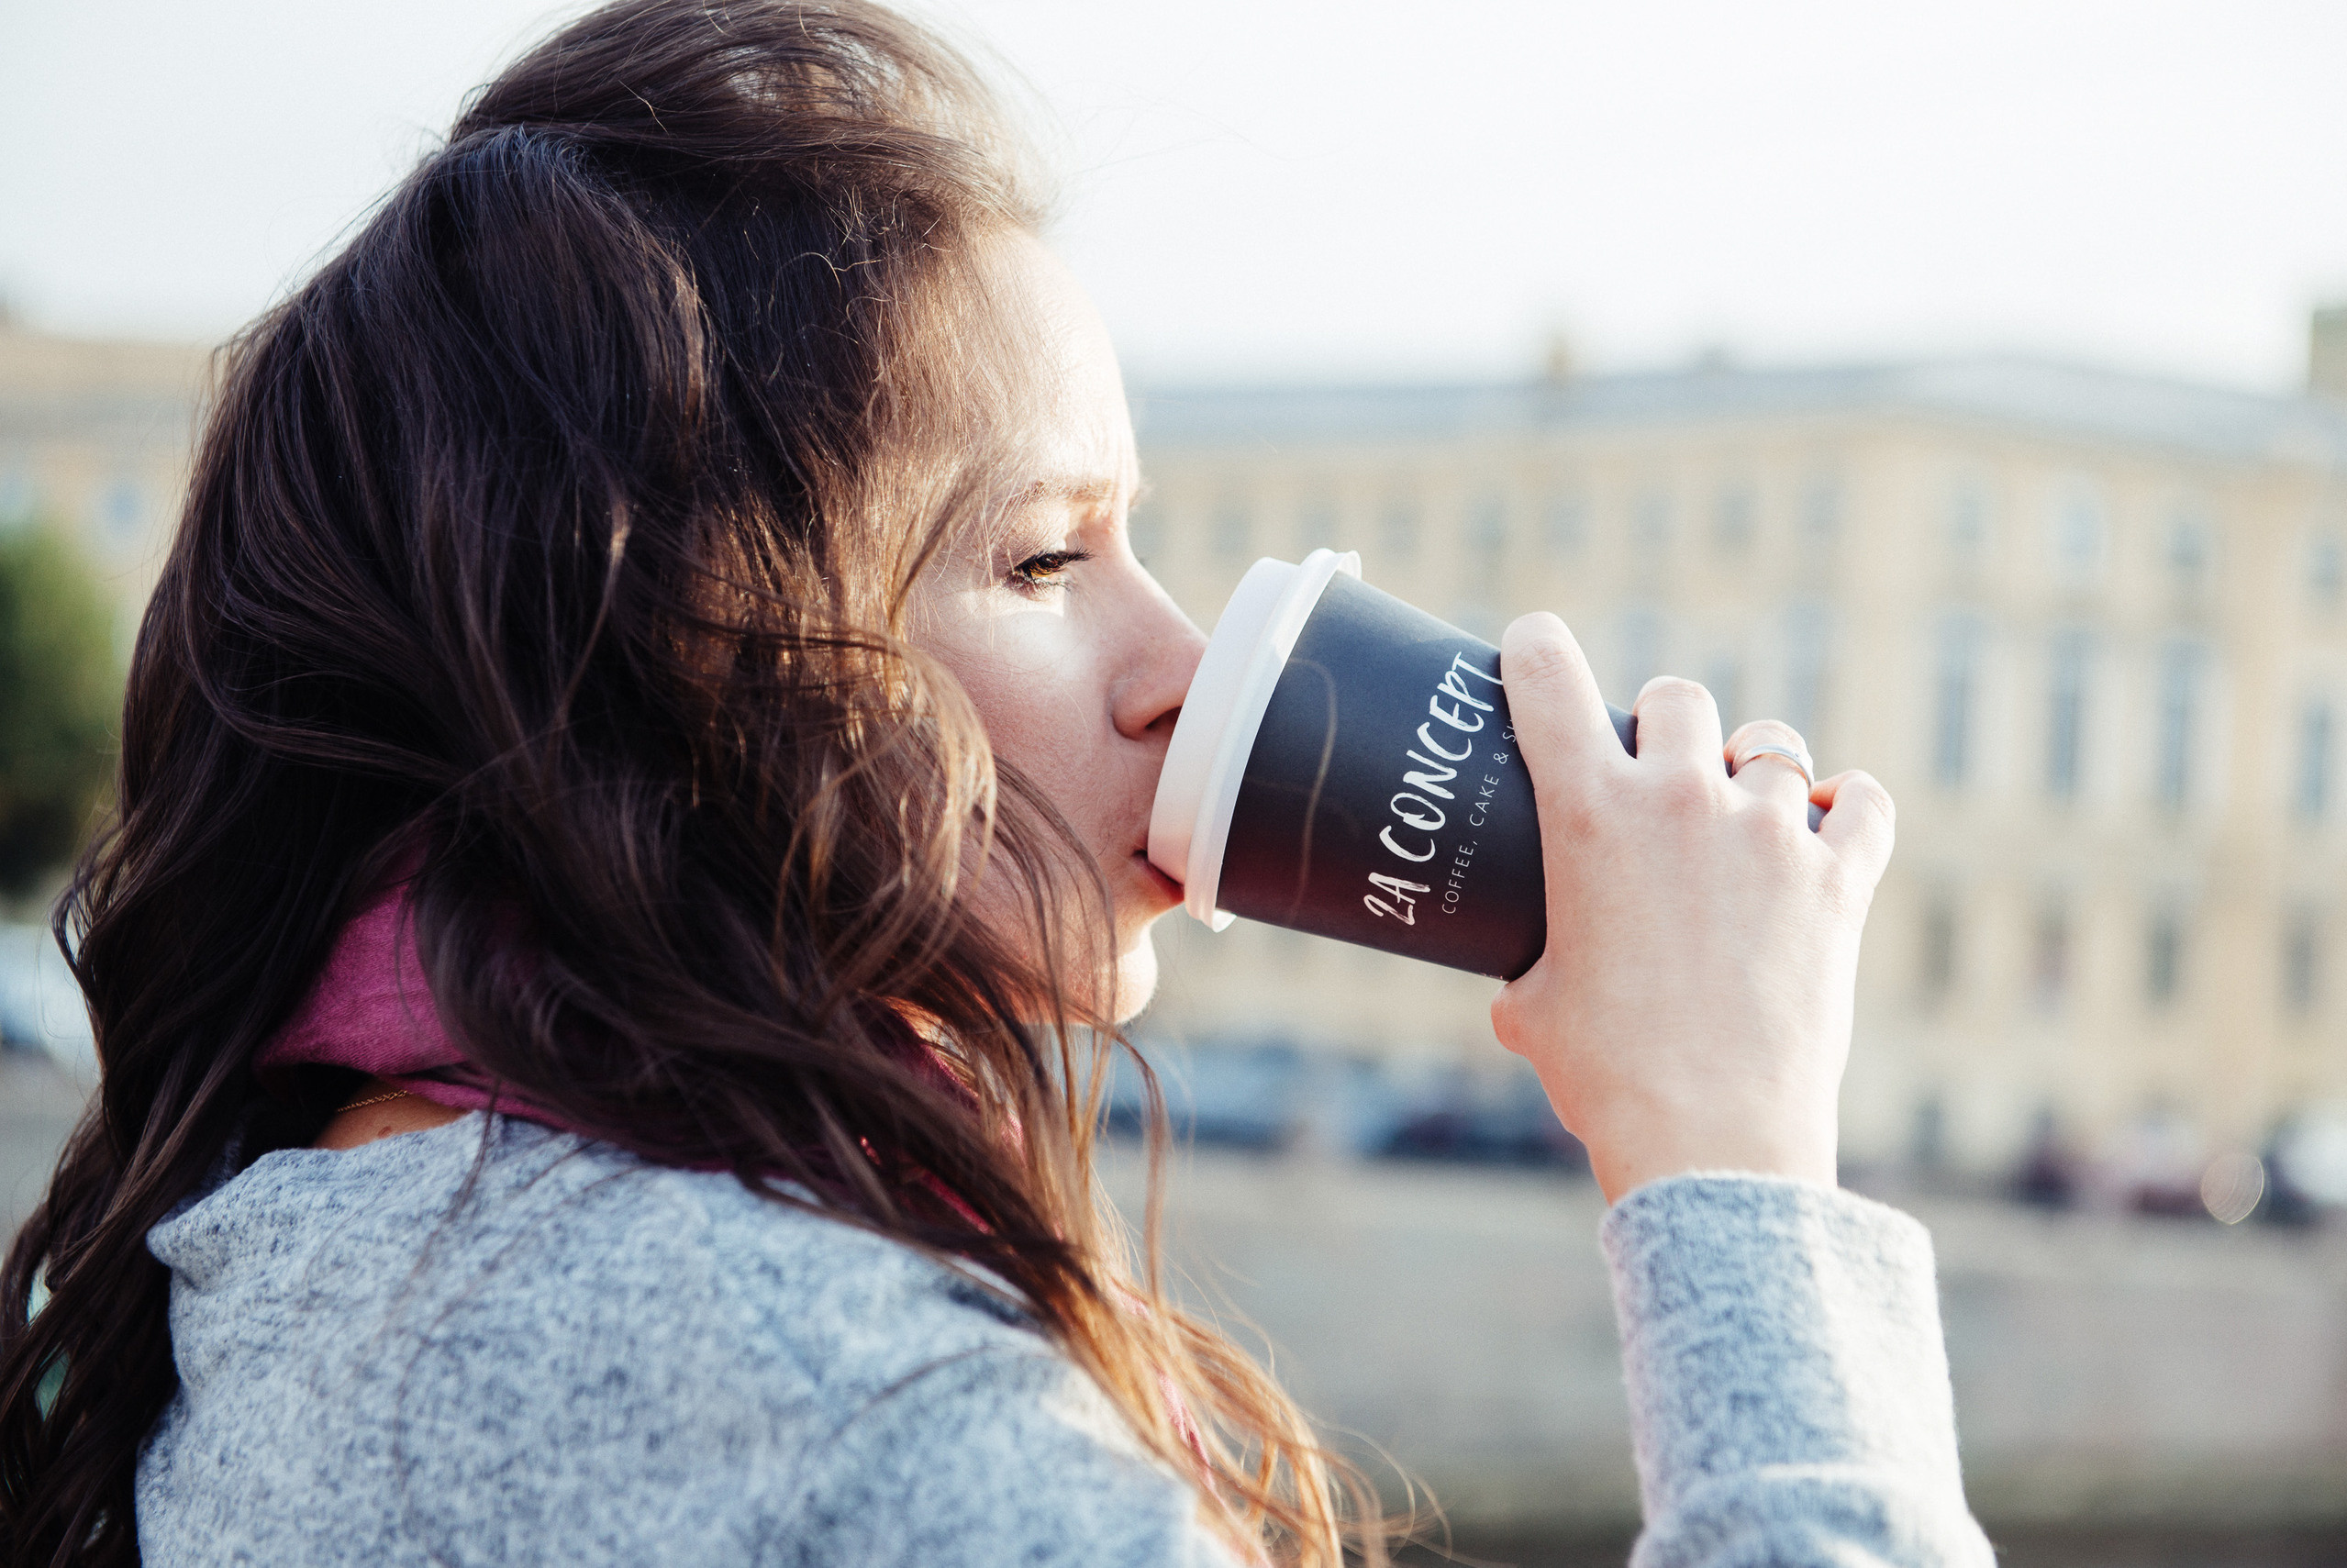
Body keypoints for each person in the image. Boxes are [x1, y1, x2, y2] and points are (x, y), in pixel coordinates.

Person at [0, 3, 1994, 1564]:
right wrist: (1729, 1162)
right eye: (1045, 559)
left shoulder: (307, 1234)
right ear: (661, 649)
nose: (1182, 667)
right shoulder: (815, 1392)